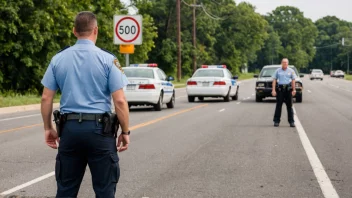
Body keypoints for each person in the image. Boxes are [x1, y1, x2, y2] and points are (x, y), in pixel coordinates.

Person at [40, 11, 130, 198]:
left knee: (65, 190)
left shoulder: (58, 59)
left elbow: (46, 98)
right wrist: (125, 131)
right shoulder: (108, 59)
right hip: (100, 132)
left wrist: (48, 127)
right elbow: (119, 100)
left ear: (74, 31)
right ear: (95, 30)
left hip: (69, 131)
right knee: (105, 190)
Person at [271, 58, 296, 127]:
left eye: (286, 62)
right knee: (278, 106)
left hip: (288, 90)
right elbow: (274, 80)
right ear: (281, 63)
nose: (285, 63)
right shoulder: (278, 71)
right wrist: (273, 90)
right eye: (283, 62)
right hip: (280, 90)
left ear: (288, 63)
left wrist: (294, 89)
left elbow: (293, 80)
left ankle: (291, 121)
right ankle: (276, 121)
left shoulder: (291, 71)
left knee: (289, 106)